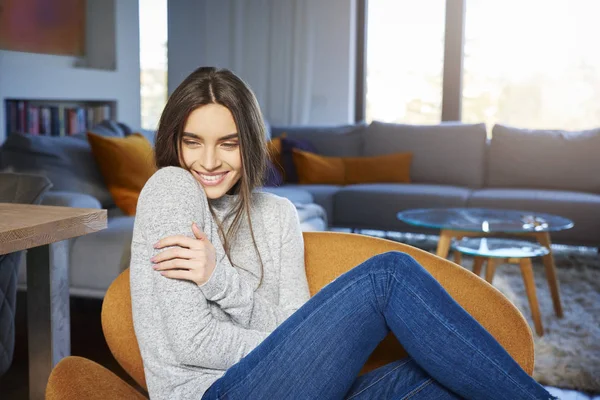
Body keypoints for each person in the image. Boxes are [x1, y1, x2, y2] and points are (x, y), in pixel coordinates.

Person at [130, 66, 557, 400]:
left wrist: (224, 285)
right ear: (174, 142)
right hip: (212, 395)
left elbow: (293, 327)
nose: (208, 161)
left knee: (451, 372)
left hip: (294, 389)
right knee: (388, 276)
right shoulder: (172, 187)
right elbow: (192, 343)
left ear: (252, 143)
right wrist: (309, 348)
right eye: (193, 142)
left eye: (229, 143)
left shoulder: (278, 215)